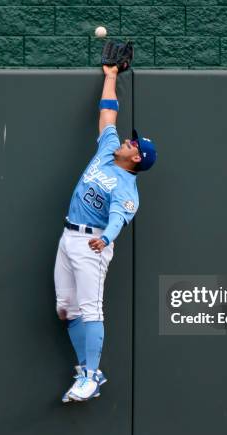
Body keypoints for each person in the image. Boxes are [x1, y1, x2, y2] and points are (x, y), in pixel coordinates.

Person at [54, 64, 157, 403]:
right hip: (69, 236)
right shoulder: (108, 150)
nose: (128, 140)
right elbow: (107, 114)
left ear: (137, 157)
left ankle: (90, 377)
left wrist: (108, 238)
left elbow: (116, 219)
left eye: (134, 143)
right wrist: (111, 76)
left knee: (91, 309)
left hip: (92, 244)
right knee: (66, 308)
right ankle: (86, 370)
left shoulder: (128, 188)